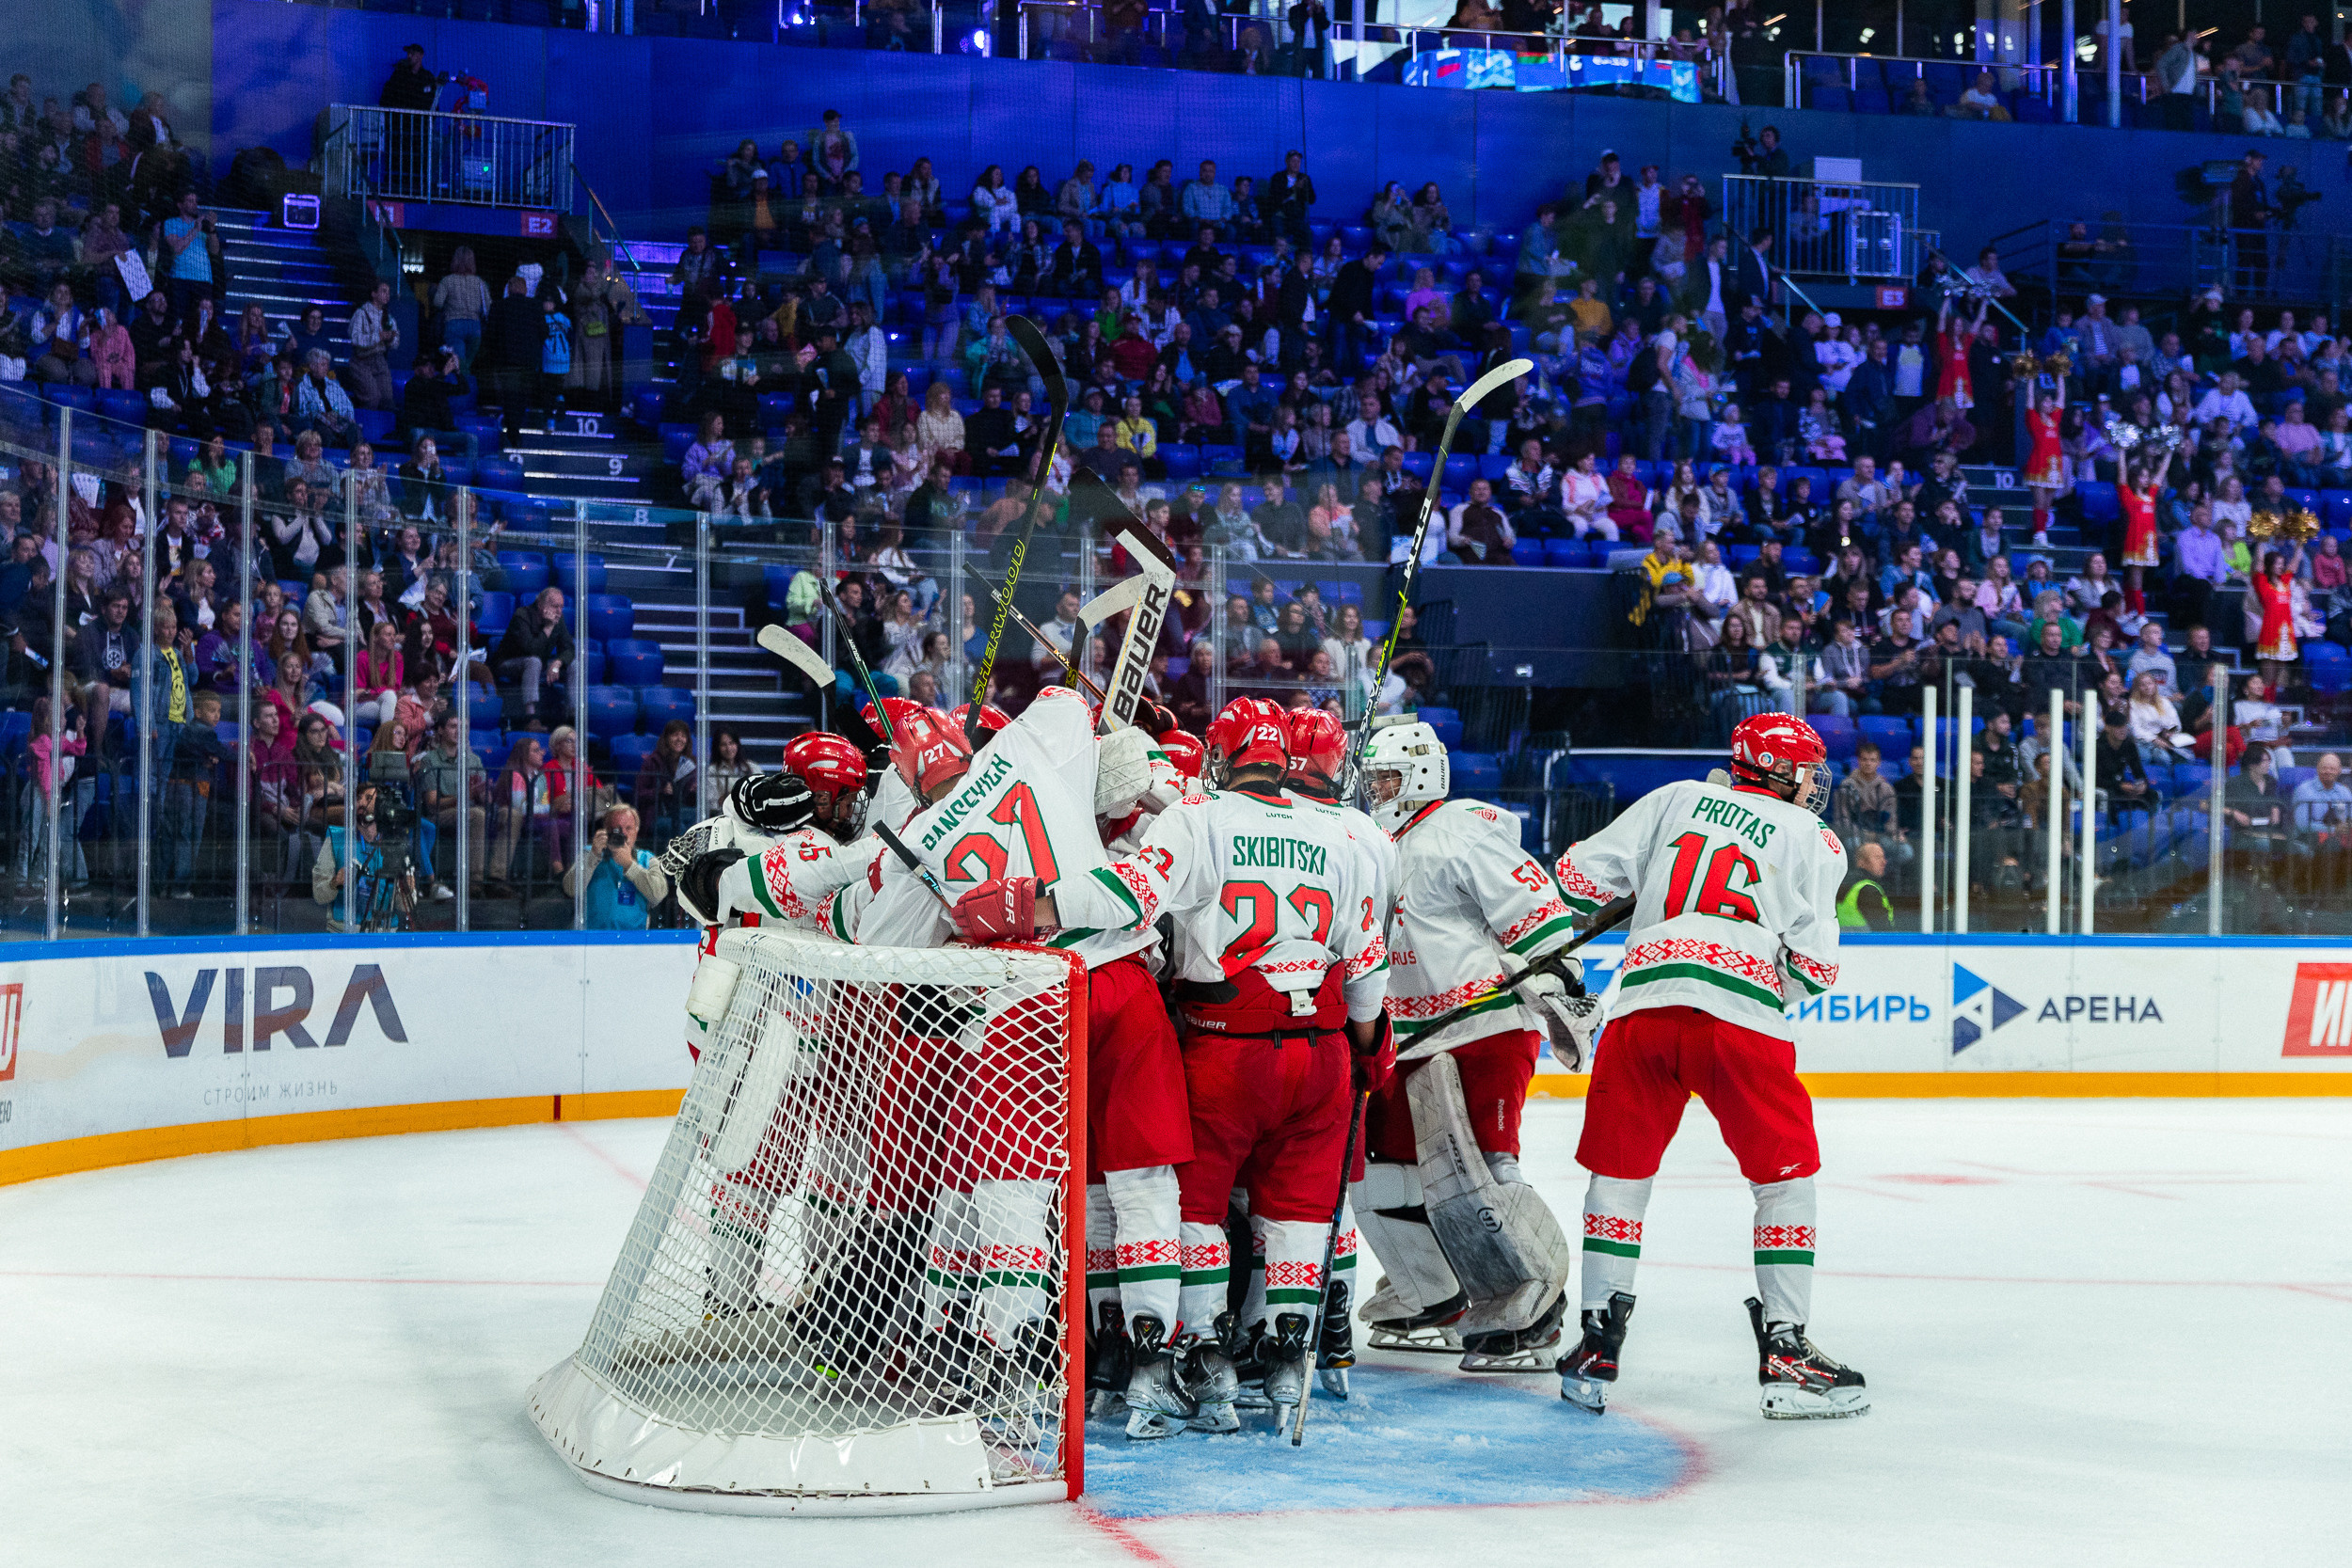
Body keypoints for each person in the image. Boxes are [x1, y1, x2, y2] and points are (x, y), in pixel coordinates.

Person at [947, 694, 1390, 1437]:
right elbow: (1368, 966)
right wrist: (1368, 1049)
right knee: (1297, 1213)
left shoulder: (1198, 815)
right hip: (1323, 1052)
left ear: (1222, 756)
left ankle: (1203, 1357)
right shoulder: (1342, 833)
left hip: (1226, 1047)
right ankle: (1287, 1362)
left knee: (1193, 1208)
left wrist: (1032, 905)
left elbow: (1128, 897)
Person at [1550, 712, 1867, 1419]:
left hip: (1641, 1008)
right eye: (1808, 769)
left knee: (1618, 1178)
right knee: (1785, 1181)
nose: (1815, 782)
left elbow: (1572, 878)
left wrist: (1652, 892)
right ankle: (1786, 1348)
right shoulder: (1813, 837)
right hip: (1740, 1022)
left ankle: (1597, 1345)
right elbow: (1813, 969)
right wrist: (1754, 976)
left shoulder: (1677, 798)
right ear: (1783, 772)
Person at [1353, 718, 1597, 1370]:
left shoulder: (1460, 828)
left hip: (1483, 1027)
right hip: (1407, 1041)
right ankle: (1434, 1292)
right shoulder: (1376, 845)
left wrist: (1558, 976)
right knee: (1378, 1175)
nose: (1378, 790)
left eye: (1389, 778)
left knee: (1482, 1172)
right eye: (1373, 778)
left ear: (1421, 776)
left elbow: (1532, 909)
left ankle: (1533, 1303)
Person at [563, 805, 670, 929]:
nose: (623, 834)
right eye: (617, 829)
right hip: (592, 936)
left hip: (635, 937)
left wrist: (630, 865)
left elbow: (658, 894)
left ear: (636, 831)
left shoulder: (647, 859)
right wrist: (593, 856)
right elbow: (570, 889)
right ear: (607, 831)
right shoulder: (589, 853)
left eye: (628, 828)